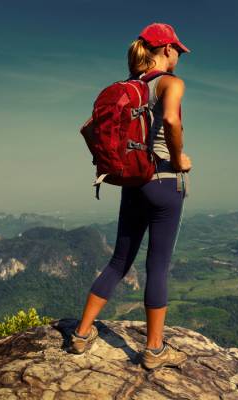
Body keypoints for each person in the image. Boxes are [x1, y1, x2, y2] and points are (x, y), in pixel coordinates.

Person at [70, 22, 192, 370]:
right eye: (178, 51)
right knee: (157, 266)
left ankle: (81, 334)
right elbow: (170, 120)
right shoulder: (171, 83)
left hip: (133, 181)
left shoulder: (127, 88)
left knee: (119, 261)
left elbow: (87, 129)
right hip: (165, 182)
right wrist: (179, 157)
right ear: (167, 49)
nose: (179, 57)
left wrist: (110, 162)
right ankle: (154, 350)